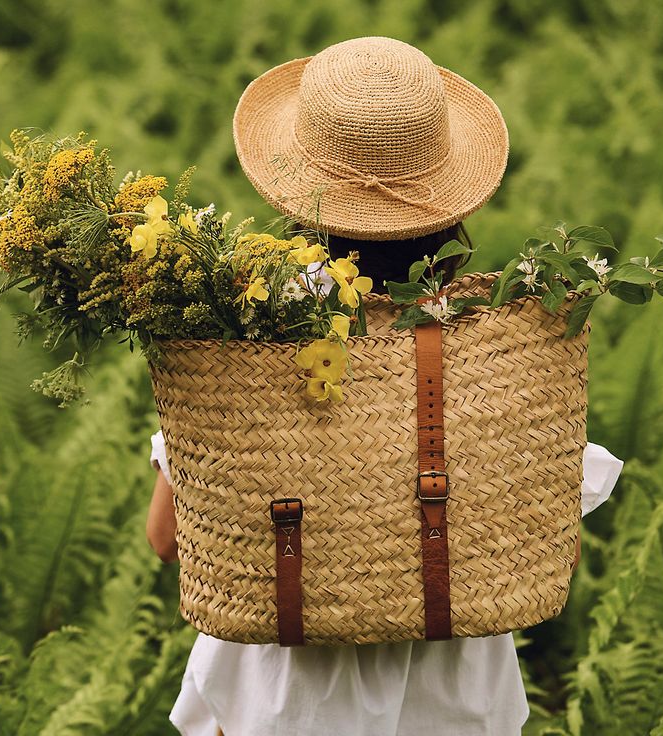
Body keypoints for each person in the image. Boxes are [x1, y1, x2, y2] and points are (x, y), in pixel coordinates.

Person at [146, 37, 625, 736]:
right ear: (451, 205)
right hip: (456, 708)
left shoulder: (251, 342)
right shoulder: (496, 357)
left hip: (283, 709)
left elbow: (167, 538)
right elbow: (544, 536)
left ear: (297, 198)